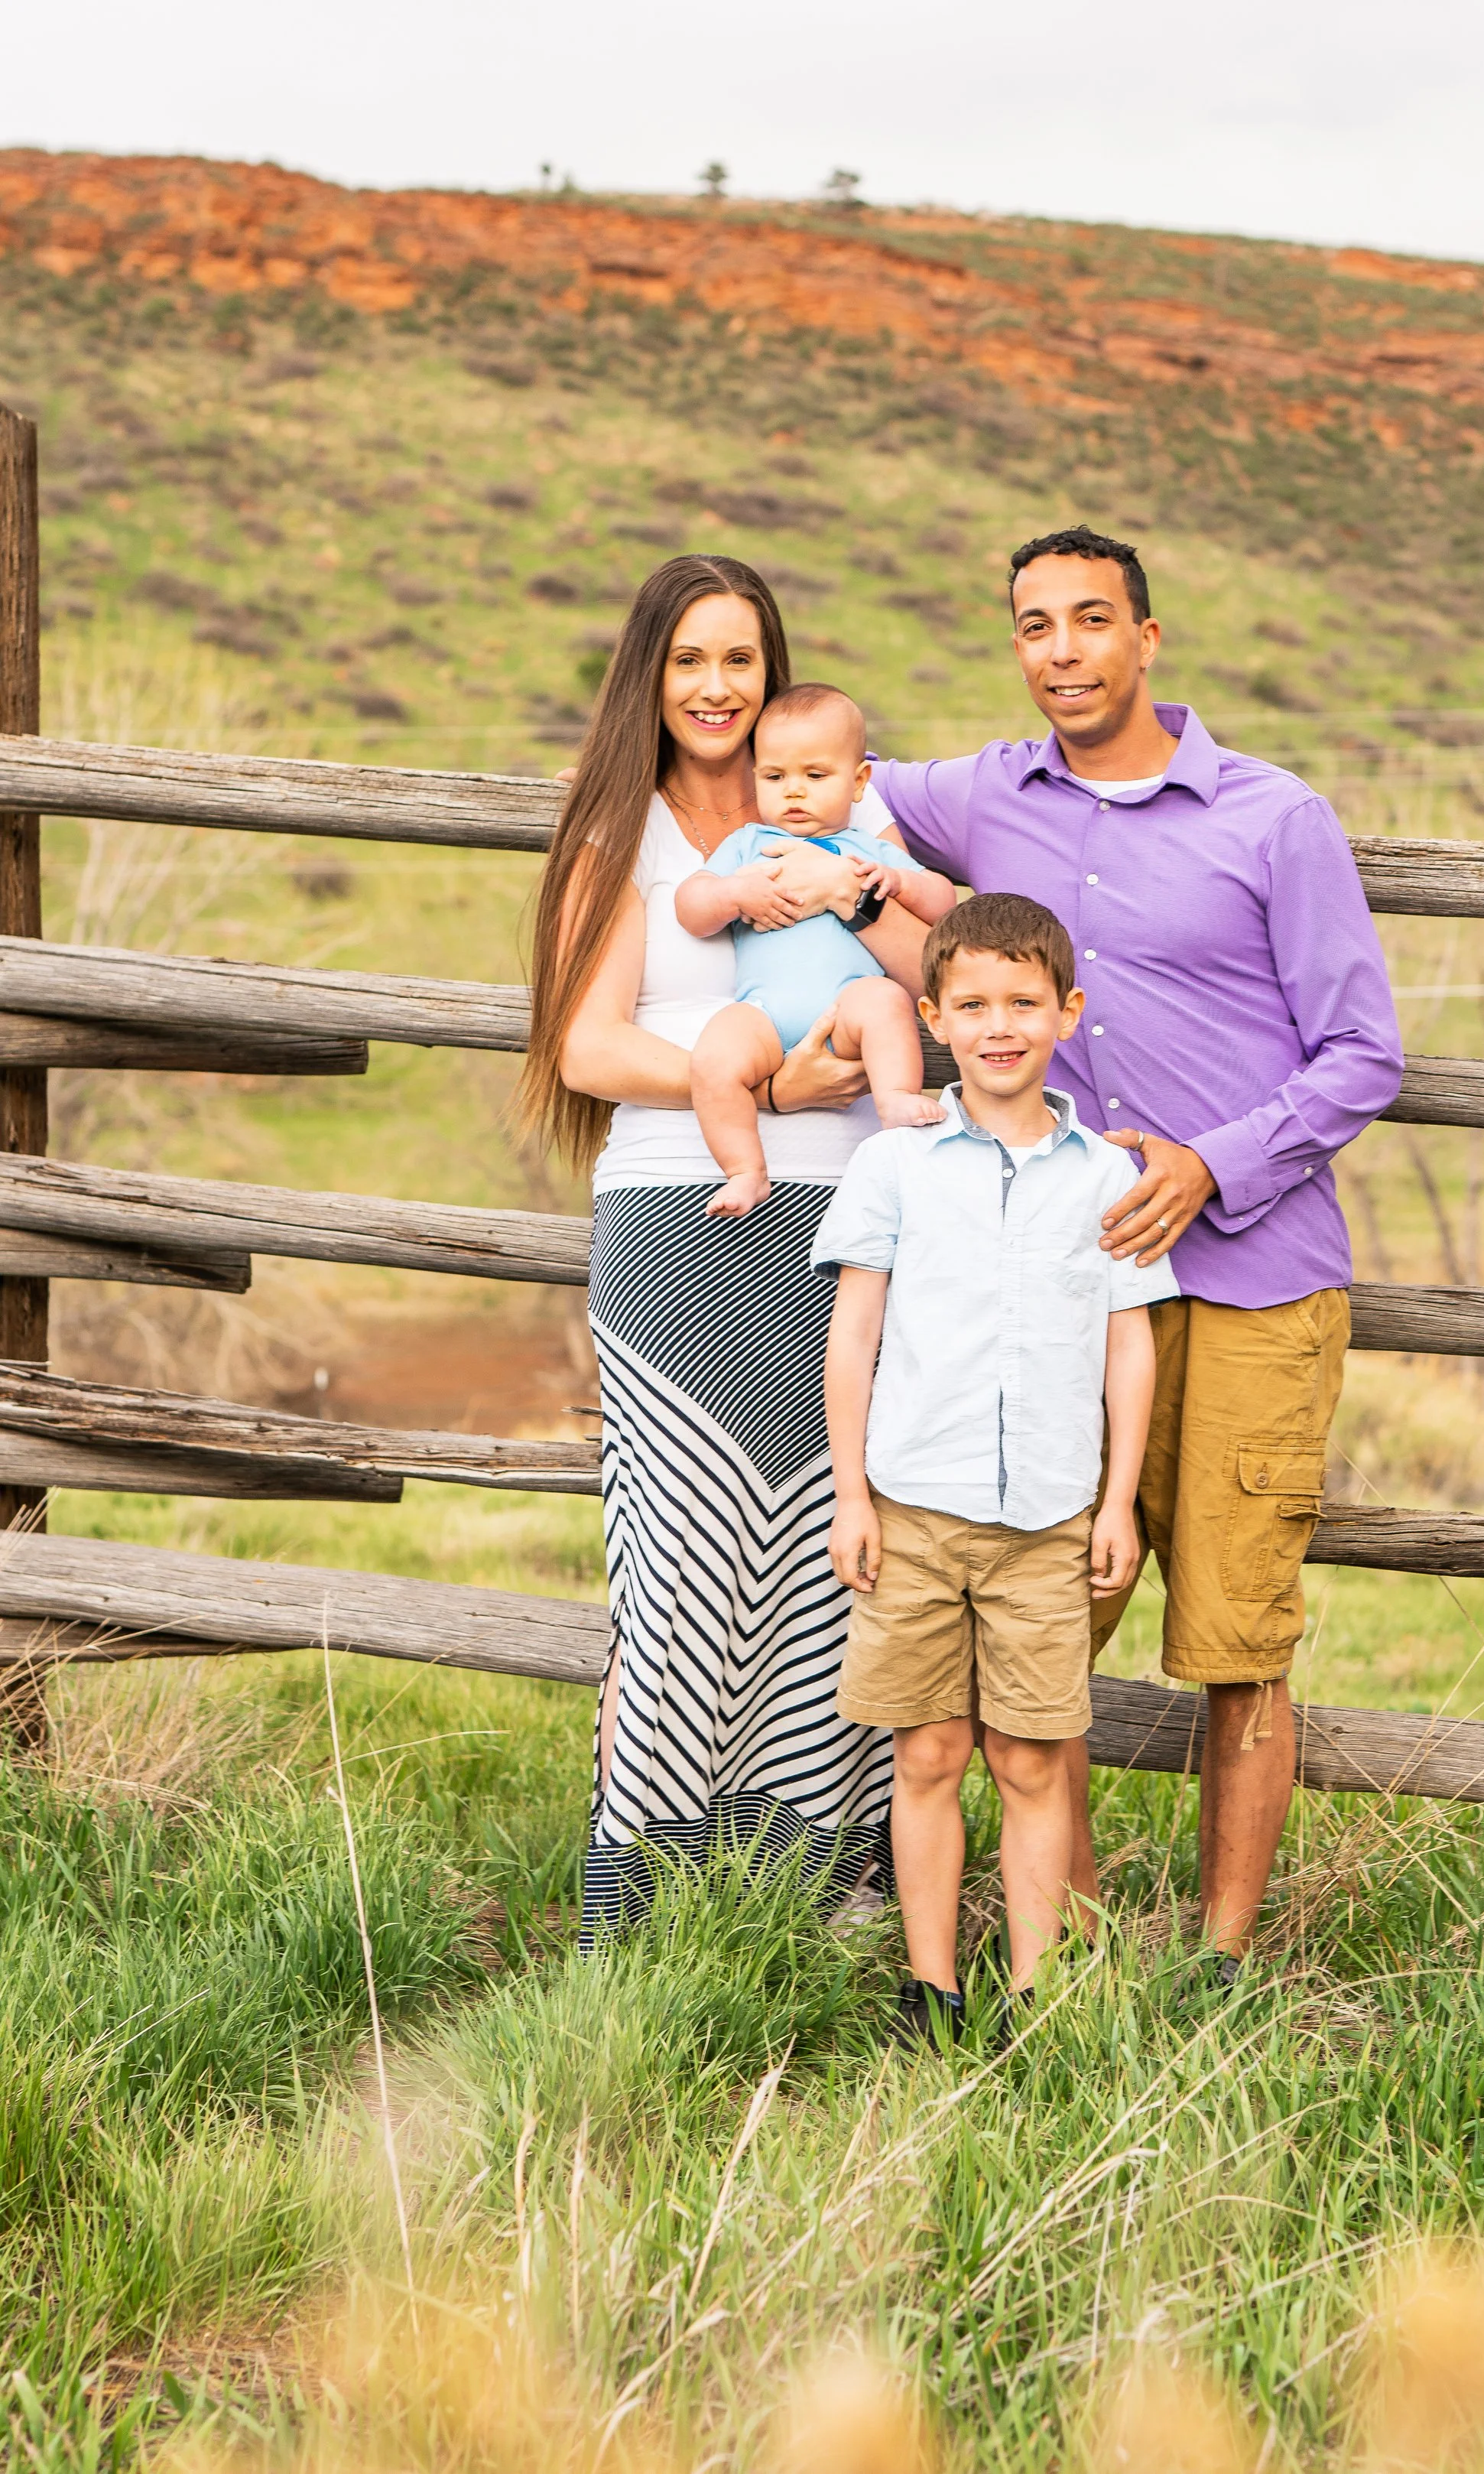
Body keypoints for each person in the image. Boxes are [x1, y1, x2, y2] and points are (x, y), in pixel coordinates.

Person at [866, 525, 1404, 1985]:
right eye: (1034, 626)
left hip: (1253, 1279)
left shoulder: (1273, 818)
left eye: (1090, 622)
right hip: (1065, 1293)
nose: (1061, 652)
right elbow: (815, 779)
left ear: (1147, 639)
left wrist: (1210, 1161)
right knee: (1046, 1630)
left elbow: (1366, 1052)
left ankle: (1222, 1963)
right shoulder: (983, 794)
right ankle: (1077, 1937)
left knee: (1238, 1639)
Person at [518, 554, 934, 1946]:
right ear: (651, 672)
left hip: (854, 1231)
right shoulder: (619, 836)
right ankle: (639, 1929)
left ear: (774, 672)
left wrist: (861, 899)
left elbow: (949, 980)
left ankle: (818, 1921)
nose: (716, 688)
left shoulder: (841, 808)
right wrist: (757, 1085)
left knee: (833, 1572)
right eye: (690, 660)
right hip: (685, 1224)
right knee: (684, 1569)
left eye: (740, 660)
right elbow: (586, 1044)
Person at [813, 893, 1171, 2043]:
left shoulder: (1104, 1177)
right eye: (971, 1004)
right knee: (925, 1748)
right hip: (915, 1505)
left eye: (1023, 1001)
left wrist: (1116, 1500)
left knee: (1028, 1754)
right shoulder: (896, 1166)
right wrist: (852, 1495)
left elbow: (1129, 1342)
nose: (998, 1025)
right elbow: (855, 1335)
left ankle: (1037, 1992)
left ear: (1068, 1012)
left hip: (1050, 1515)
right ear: (932, 1017)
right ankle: (932, 1990)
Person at [677, 681, 956, 1217]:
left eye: (815, 775)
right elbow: (691, 905)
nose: (794, 792)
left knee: (883, 999)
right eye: (776, 777)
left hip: (845, 1006)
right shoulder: (748, 846)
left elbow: (943, 901)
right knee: (713, 1056)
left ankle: (893, 1096)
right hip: (764, 1012)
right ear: (754, 777)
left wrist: (898, 883)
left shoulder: (869, 850)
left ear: (858, 783)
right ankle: (745, 1169)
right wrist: (734, 893)